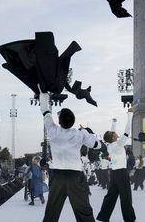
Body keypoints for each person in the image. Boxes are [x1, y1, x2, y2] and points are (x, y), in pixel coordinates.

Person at [38, 88, 103, 222]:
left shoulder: (52, 130)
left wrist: (42, 92)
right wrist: (87, 132)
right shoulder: (80, 134)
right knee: (84, 211)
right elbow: (97, 145)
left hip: (57, 176)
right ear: (73, 121)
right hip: (75, 176)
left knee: (52, 211)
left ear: (60, 121)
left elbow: (45, 110)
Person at [97, 112, 136, 222]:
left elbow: (110, 134)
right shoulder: (118, 145)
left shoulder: (110, 146)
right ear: (113, 137)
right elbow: (127, 130)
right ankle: (129, 219)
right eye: (113, 133)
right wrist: (130, 114)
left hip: (114, 173)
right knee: (126, 197)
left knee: (111, 196)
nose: (115, 133)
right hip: (121, 174)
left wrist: (114, 123)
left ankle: (103, 217)